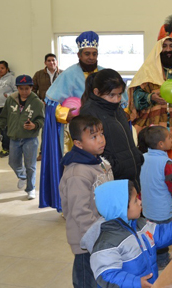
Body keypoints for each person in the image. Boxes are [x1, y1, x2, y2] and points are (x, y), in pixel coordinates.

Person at [80, 180, 172, 287]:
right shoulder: (107, 243)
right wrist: (136, 283)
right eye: (135, 200)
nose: (140, 202)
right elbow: (107, 276)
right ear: (120, 208)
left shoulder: (140, 224)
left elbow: (160, 234)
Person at [40, 31, 108, 211]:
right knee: (78, 170)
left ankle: (101, 203)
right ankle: (73, 205)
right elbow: (51, 103)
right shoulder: (68, 75)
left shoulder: (104, 74)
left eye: (94, 54)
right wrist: (65, 115)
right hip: (76, 133)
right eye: (87, 54)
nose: (91, 57)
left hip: (101, 130)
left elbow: (121, 100)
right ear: (79, 54)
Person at [128, 15, 172, 189]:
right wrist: (150, 97)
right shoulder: (147, 71)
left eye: (171, 45)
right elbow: (135, 98)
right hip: (152, 130)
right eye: (164, 45)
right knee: (152, 172)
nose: (168, 50)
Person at [59, 115, 113, 288]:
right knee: (85, 277)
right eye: (94, 137)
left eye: (101, 134)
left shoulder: (98, 162)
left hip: (101, 232)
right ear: (78, 144)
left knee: (98, 274)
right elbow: (80, 211)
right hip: (86, 239)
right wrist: (94, 236)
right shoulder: (78, 173)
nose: (101, 140)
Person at [80, 69, 143, 189]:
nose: (117, 99)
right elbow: (91, 148)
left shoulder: (117, 108)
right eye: (112, 95)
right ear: (97, 92)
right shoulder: (89, 111)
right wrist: (113, 165)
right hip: (113, 176)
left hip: (131, 173)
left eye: (119, 94)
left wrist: (136, 156)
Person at [0, 75, 45, 200]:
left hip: (30, 139)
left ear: (31, 88)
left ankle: (31, 189)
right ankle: (22, 177)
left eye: (27, 88)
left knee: (30, 165)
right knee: (13, 162)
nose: (24, 91)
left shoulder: (37, 103)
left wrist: (34, 125)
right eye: (21, 89)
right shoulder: (11, 100)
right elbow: (4, 116)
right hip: (14, 138)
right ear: (17, 88)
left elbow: (42, 120)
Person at [137, 126, 172, 269]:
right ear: (161, 144)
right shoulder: (166, 163)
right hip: (162, 209)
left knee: (150, 233)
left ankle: (151, 257)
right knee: (162, 236)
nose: (171, 139)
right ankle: (162, 260)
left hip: (147, 207)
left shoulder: (142, 158)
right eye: (169, 137)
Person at [32, 53, 60, 161]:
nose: (51, 62)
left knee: (59, 130)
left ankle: (58, 153)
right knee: (45, 130)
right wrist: (39, 101)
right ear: (45, 63)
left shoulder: (62, 74)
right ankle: (42, 153)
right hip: (45, 107)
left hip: (59, 107)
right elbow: (32, 89)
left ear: (56, 62)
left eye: (53, 60)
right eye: (49, 60)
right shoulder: (38, 74)